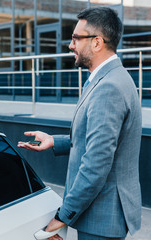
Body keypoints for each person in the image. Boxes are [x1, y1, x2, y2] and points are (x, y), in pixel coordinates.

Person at [18, 7, 142, 240]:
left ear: (97, 43)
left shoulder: (108, 87)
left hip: (102, 218)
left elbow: (96, 165)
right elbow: (100, 142)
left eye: (76, 38)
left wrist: (63, 216)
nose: (70, 45)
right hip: (104, 216)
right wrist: (55, 141)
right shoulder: (111, 78)